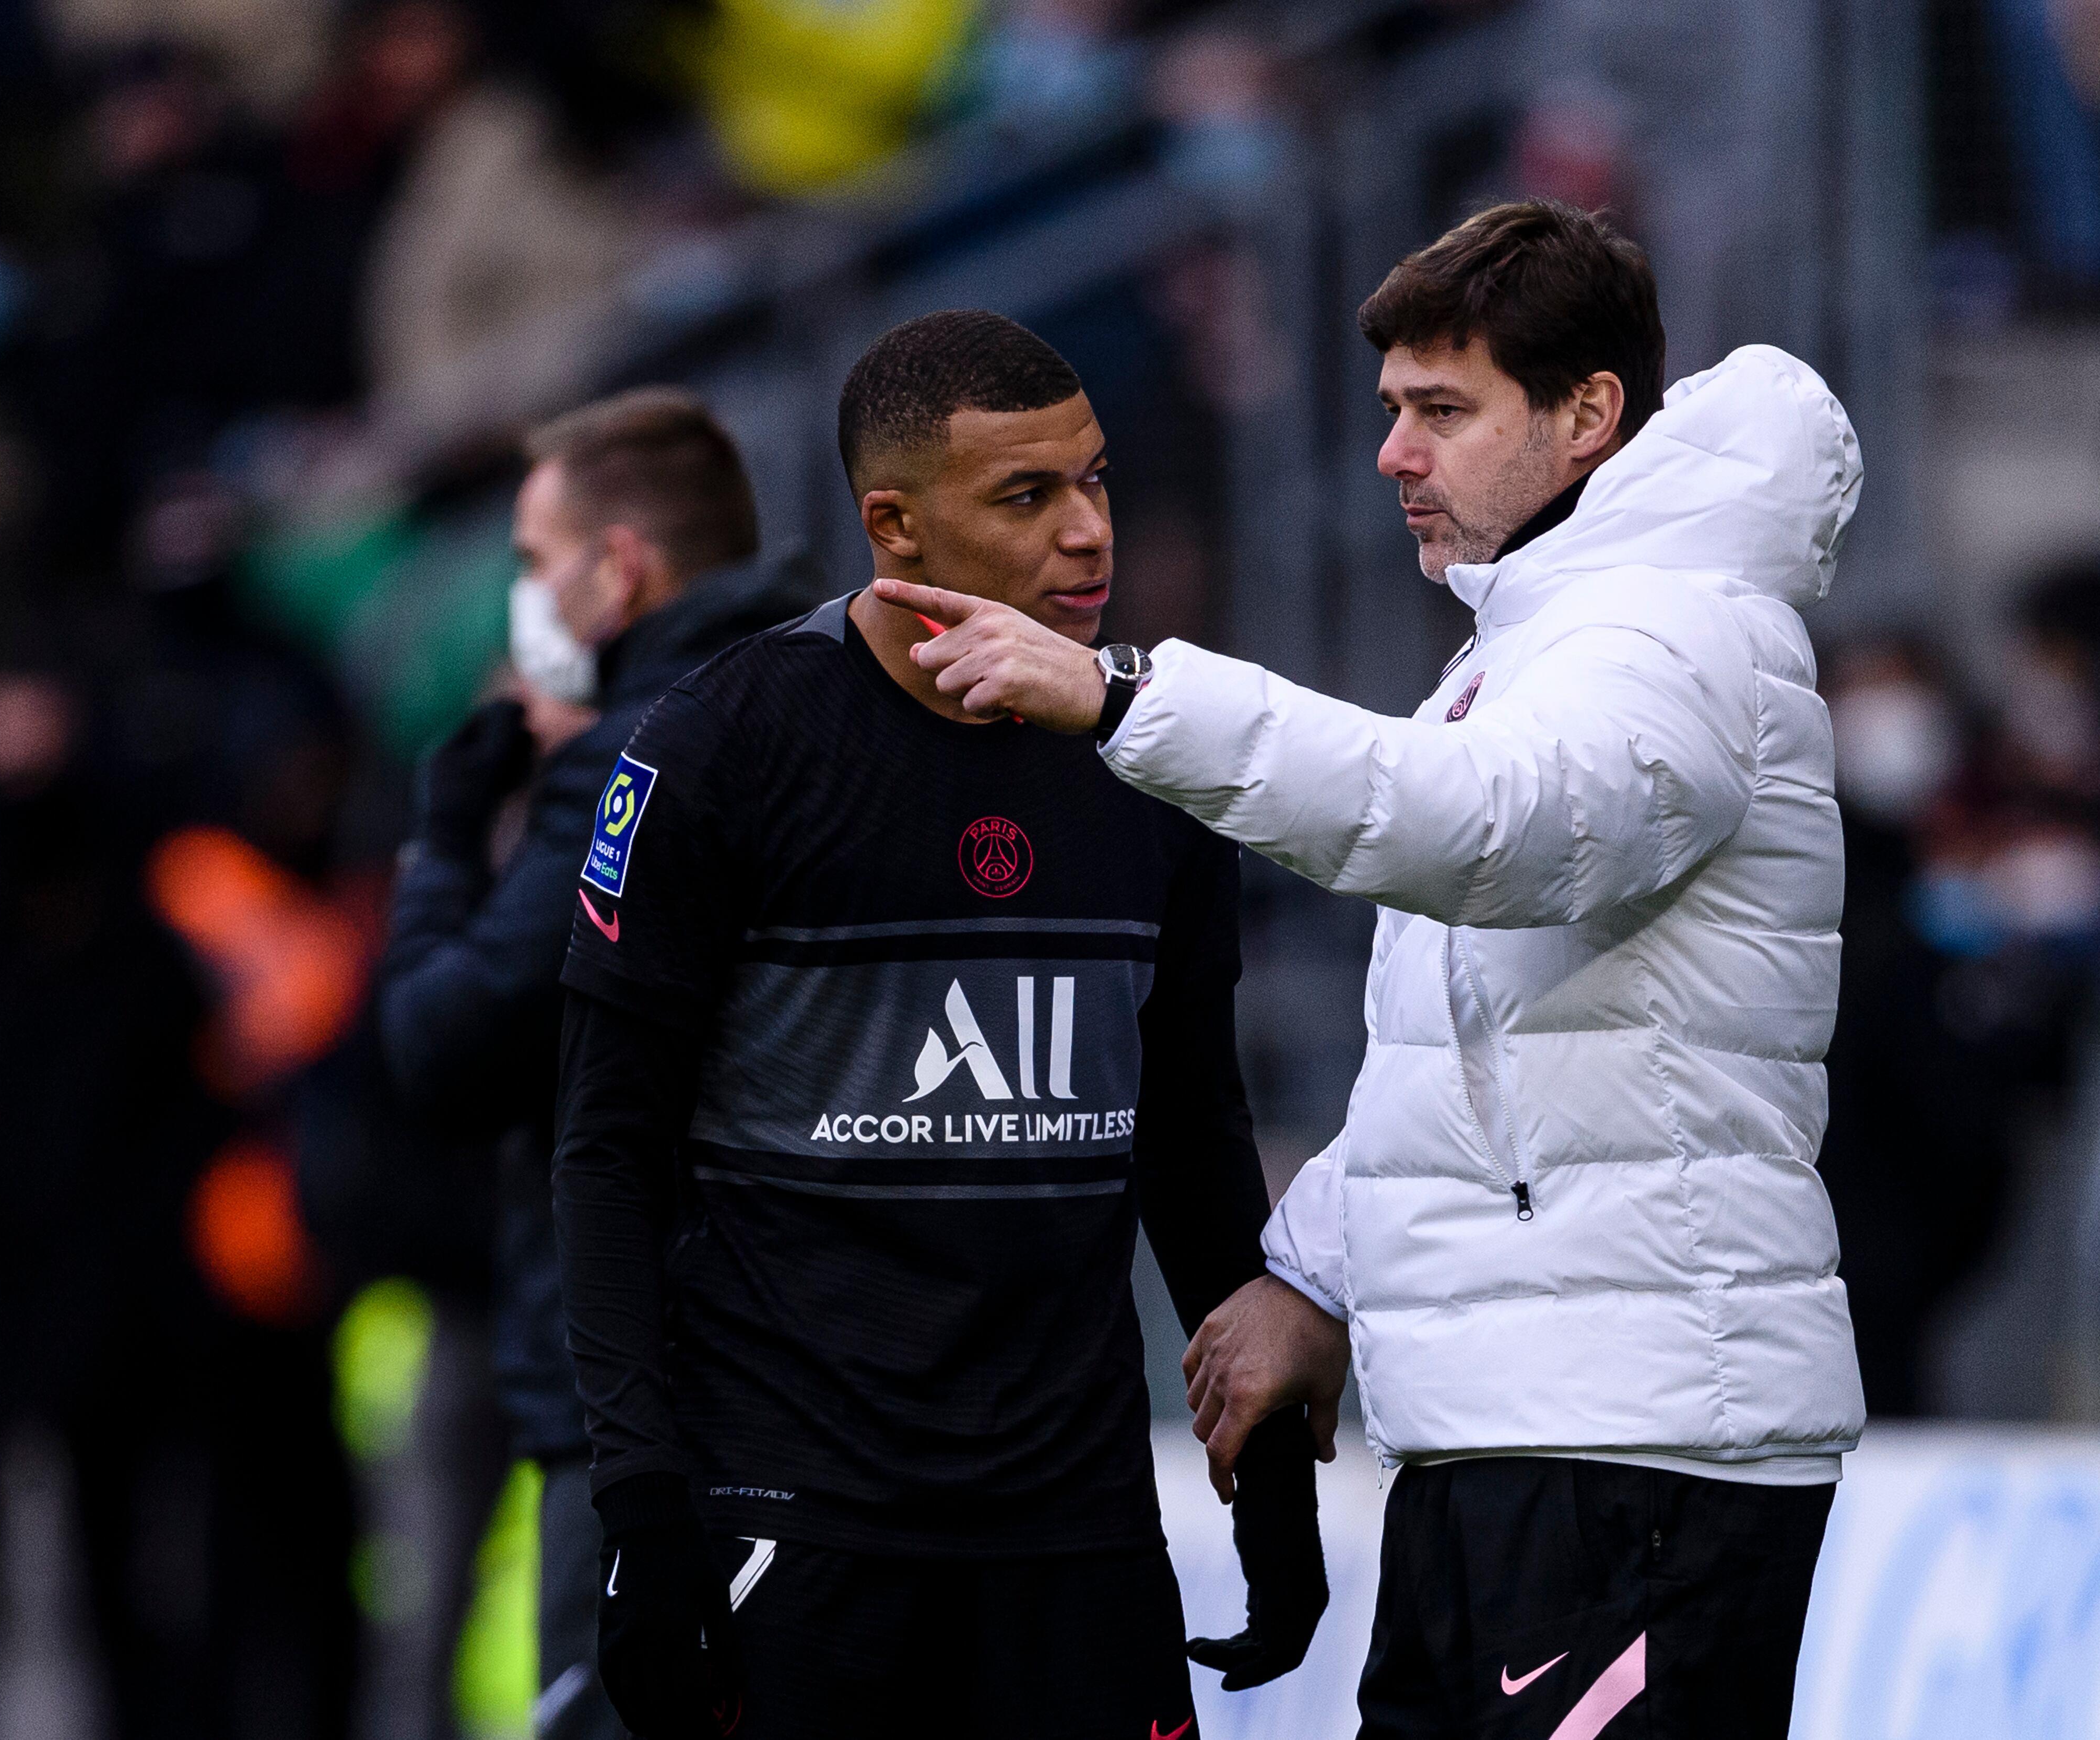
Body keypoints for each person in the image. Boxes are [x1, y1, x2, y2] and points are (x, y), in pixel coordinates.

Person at [874, 202, 1867, 1737]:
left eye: (1443, 412)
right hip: (1515, 1434)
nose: (1396, 456)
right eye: (1393, 412)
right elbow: (1480, 1052)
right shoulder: (1540, 645)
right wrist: (1315, 1274)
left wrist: (1131, 699)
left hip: (1641, 1449)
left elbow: (1492, 829)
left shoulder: (1678, 640)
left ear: (1589, 416)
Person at [548, 311, 1324, 1739]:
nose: (1088, 533)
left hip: (1077, 1525)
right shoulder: (723, 749)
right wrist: (644, 1509)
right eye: (1028, 498)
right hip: (798, 1519)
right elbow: (606, 1153)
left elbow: (1194, 1133)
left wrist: (1272, 1475)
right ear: (893, 525)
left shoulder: (1152, 751)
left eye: (1096, 481)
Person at [379, 385, 827, 1739]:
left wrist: (446, 844)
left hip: (642, 1402)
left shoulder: (637, 757)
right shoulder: (815, 709)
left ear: (618, 567)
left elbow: (444, 1042)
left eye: (531, 561)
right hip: (819, 1385)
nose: (527, 597)